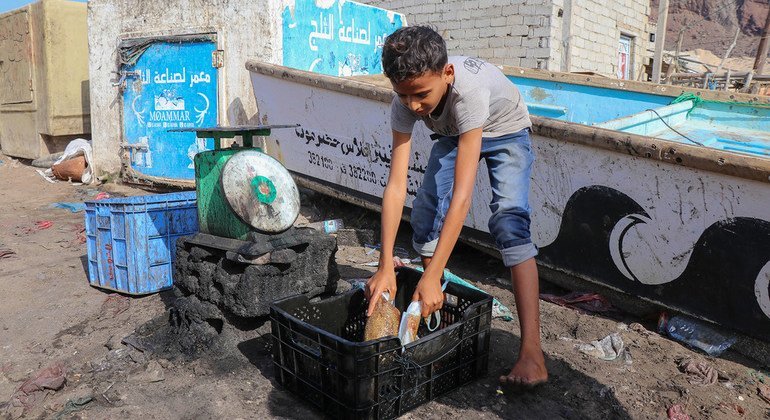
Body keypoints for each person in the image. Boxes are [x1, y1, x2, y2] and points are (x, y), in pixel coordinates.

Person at [364, 26, 548, 389]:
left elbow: (463, 197)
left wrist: (431, 273)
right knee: (425, 212)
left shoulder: (468, 93)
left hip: (505, 130)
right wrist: (386, 263)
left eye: (421, 95)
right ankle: (437, 309)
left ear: (446, 74)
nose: (414, 106)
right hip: (454, 133)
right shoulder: (404, 102)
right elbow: (396, 184)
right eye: (403, 96)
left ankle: (533, 353)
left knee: (509, 224)